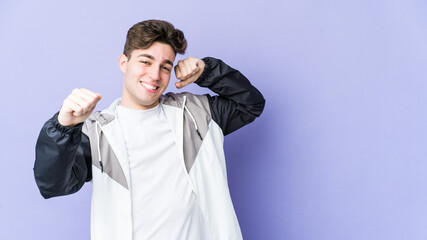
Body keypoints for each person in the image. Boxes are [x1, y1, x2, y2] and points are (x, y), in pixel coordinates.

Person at [34, 19, 265, 240]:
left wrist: (207, 71)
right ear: (124, 63)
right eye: (146, 61)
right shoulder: (96, 132)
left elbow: (250, 104)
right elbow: (54, 185)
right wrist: (63, 127)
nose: (155, 75)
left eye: (165, 66)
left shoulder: (198, 113)